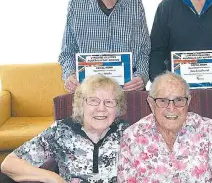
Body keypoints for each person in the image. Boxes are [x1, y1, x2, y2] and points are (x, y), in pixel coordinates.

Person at [0, 74, 129, 183]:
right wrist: (52, 177)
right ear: (81, 104)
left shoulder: (128, 132)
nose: (101, 108)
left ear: (117, 107)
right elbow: (9, 164)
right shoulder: (62, 131)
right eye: (93, 101)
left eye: (109, 102)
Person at [117, 72, 212, 182]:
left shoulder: (207, 129)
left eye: (179, 100)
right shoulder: (132, 136)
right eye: (163, 101)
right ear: (151, 104)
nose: (171, 108)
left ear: (188, 102)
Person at [58, 0, 150, 93]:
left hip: (127, 90)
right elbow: (67, 52)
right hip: (89, 91)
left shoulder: (135, 3)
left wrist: (142, 77)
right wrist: (70, 75)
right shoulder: (77, 4)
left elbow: (144, 50)